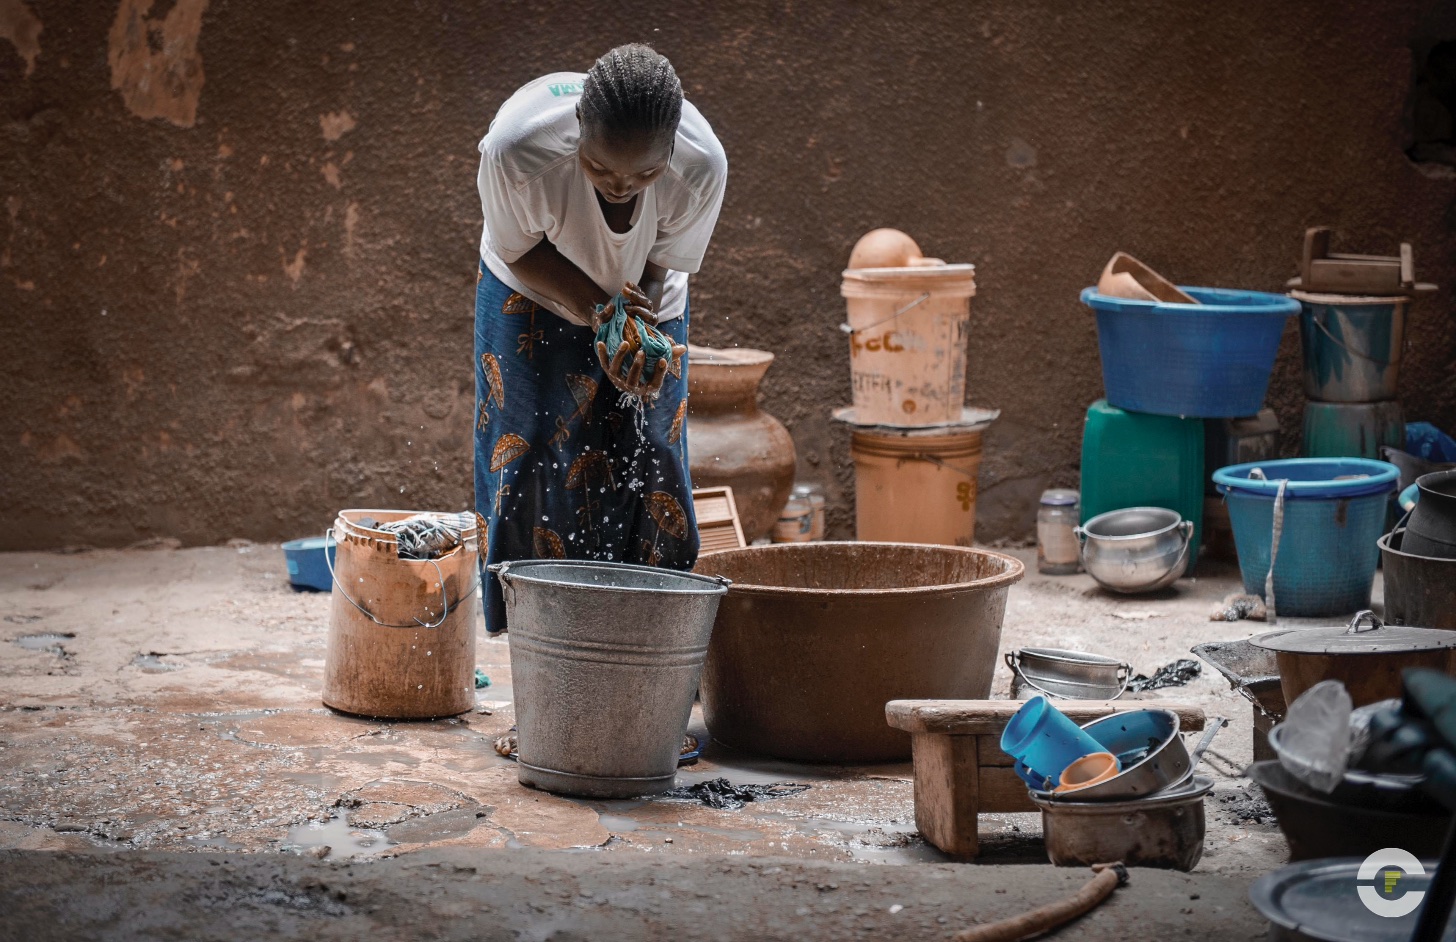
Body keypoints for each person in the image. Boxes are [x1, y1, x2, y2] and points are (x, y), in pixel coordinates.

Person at [473, 44, 727, 633]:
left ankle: (648, 628)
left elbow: (660, 265)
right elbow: (519, 249)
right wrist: (596, 311)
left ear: (670, 150)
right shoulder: (520, 148)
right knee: (531, 443)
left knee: (652, 447)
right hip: (532, 280)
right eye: (601, 168)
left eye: (645, 172)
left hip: (642, 289)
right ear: (577, 131)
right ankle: (535, 630)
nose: (622, 185)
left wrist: (629, 329)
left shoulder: (701, 164)